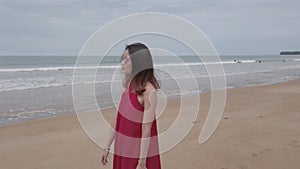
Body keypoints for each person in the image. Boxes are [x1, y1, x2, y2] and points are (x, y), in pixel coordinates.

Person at [101, 43, 162, 169]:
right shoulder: (129, 88)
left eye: (126, 59)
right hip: (124, 146)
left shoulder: (148, 91)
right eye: (122, 59)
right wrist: (107, 146)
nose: (122, 63)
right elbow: (118, 119)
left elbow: (147, 130)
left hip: (139, 152)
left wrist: (142, 162)